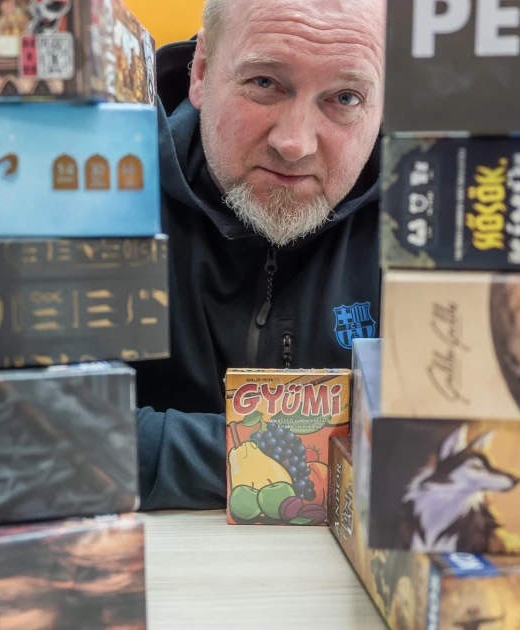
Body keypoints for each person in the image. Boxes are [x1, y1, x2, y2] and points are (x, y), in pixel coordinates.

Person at [134, 0, 386, 511]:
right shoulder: (99, 179)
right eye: (265, 83)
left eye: (345, 97)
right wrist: (328, 454)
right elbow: (50, 433)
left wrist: (162, 447)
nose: (294, 143)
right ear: (201, 71)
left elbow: (449, 448)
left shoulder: (436, 218)